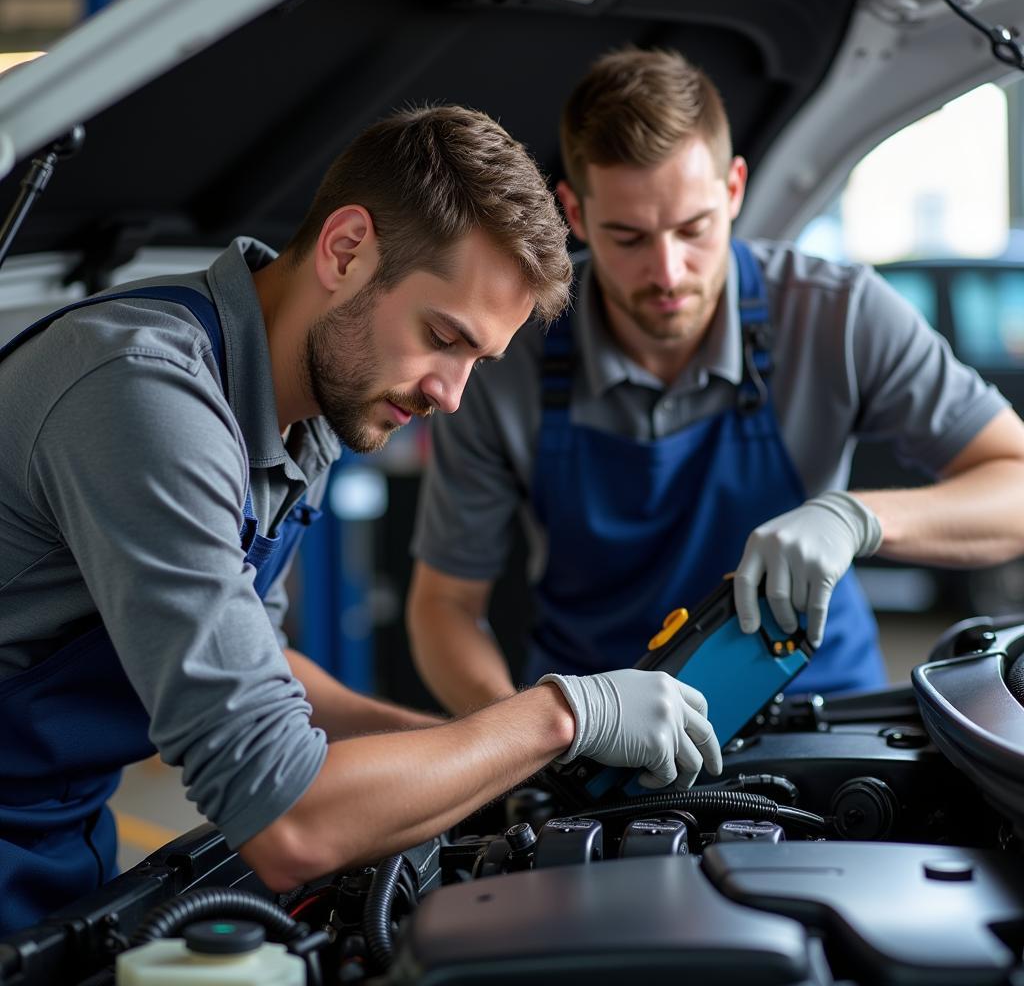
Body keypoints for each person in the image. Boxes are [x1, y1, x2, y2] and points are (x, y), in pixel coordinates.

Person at [0, 104, 723, 936]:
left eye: (477, 362)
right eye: (441, 337)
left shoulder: (301, 413)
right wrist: (563, 715)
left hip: (57, 848)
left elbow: (258, 664)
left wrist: (471, 754)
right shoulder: (143, 398)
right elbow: (287, 823)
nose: (450, 396)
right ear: (346, 252)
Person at [407, 48, 1024, 717]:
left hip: (823, 713)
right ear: (575, 215)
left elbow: (1014, 486)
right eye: (629, 237)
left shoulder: (837, 315)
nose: (668, 272)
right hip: (600, 732)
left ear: (733, 189)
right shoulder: (503, 355)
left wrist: (856, 518)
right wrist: (527, 732)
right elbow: (444, 605)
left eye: (693, 229)